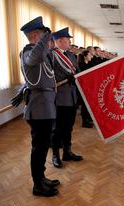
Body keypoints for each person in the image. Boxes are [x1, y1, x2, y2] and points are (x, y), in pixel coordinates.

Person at [18, 16, 60, 196]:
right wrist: (45, 37)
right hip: (38, 108)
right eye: (44, 36)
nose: (49, 40)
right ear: (36, 35)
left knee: (43, 147)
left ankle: (42, 178)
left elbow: (45, 57)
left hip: (46, 106)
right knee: (39, 148)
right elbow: (34, 58)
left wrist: (46, 39)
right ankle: (37, 185)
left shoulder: (42, 53)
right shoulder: (28, 52)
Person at [49, 27, 83, 168]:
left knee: (68, 127)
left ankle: (67, 152)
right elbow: (49, 75)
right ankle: (56, 154)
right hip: (59, 97)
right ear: (59, 41)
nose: (70, 42)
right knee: (57, 128)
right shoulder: (50, 55)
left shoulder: (71, 56)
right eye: (67, 40)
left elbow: (75, 70)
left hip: (72, 96)